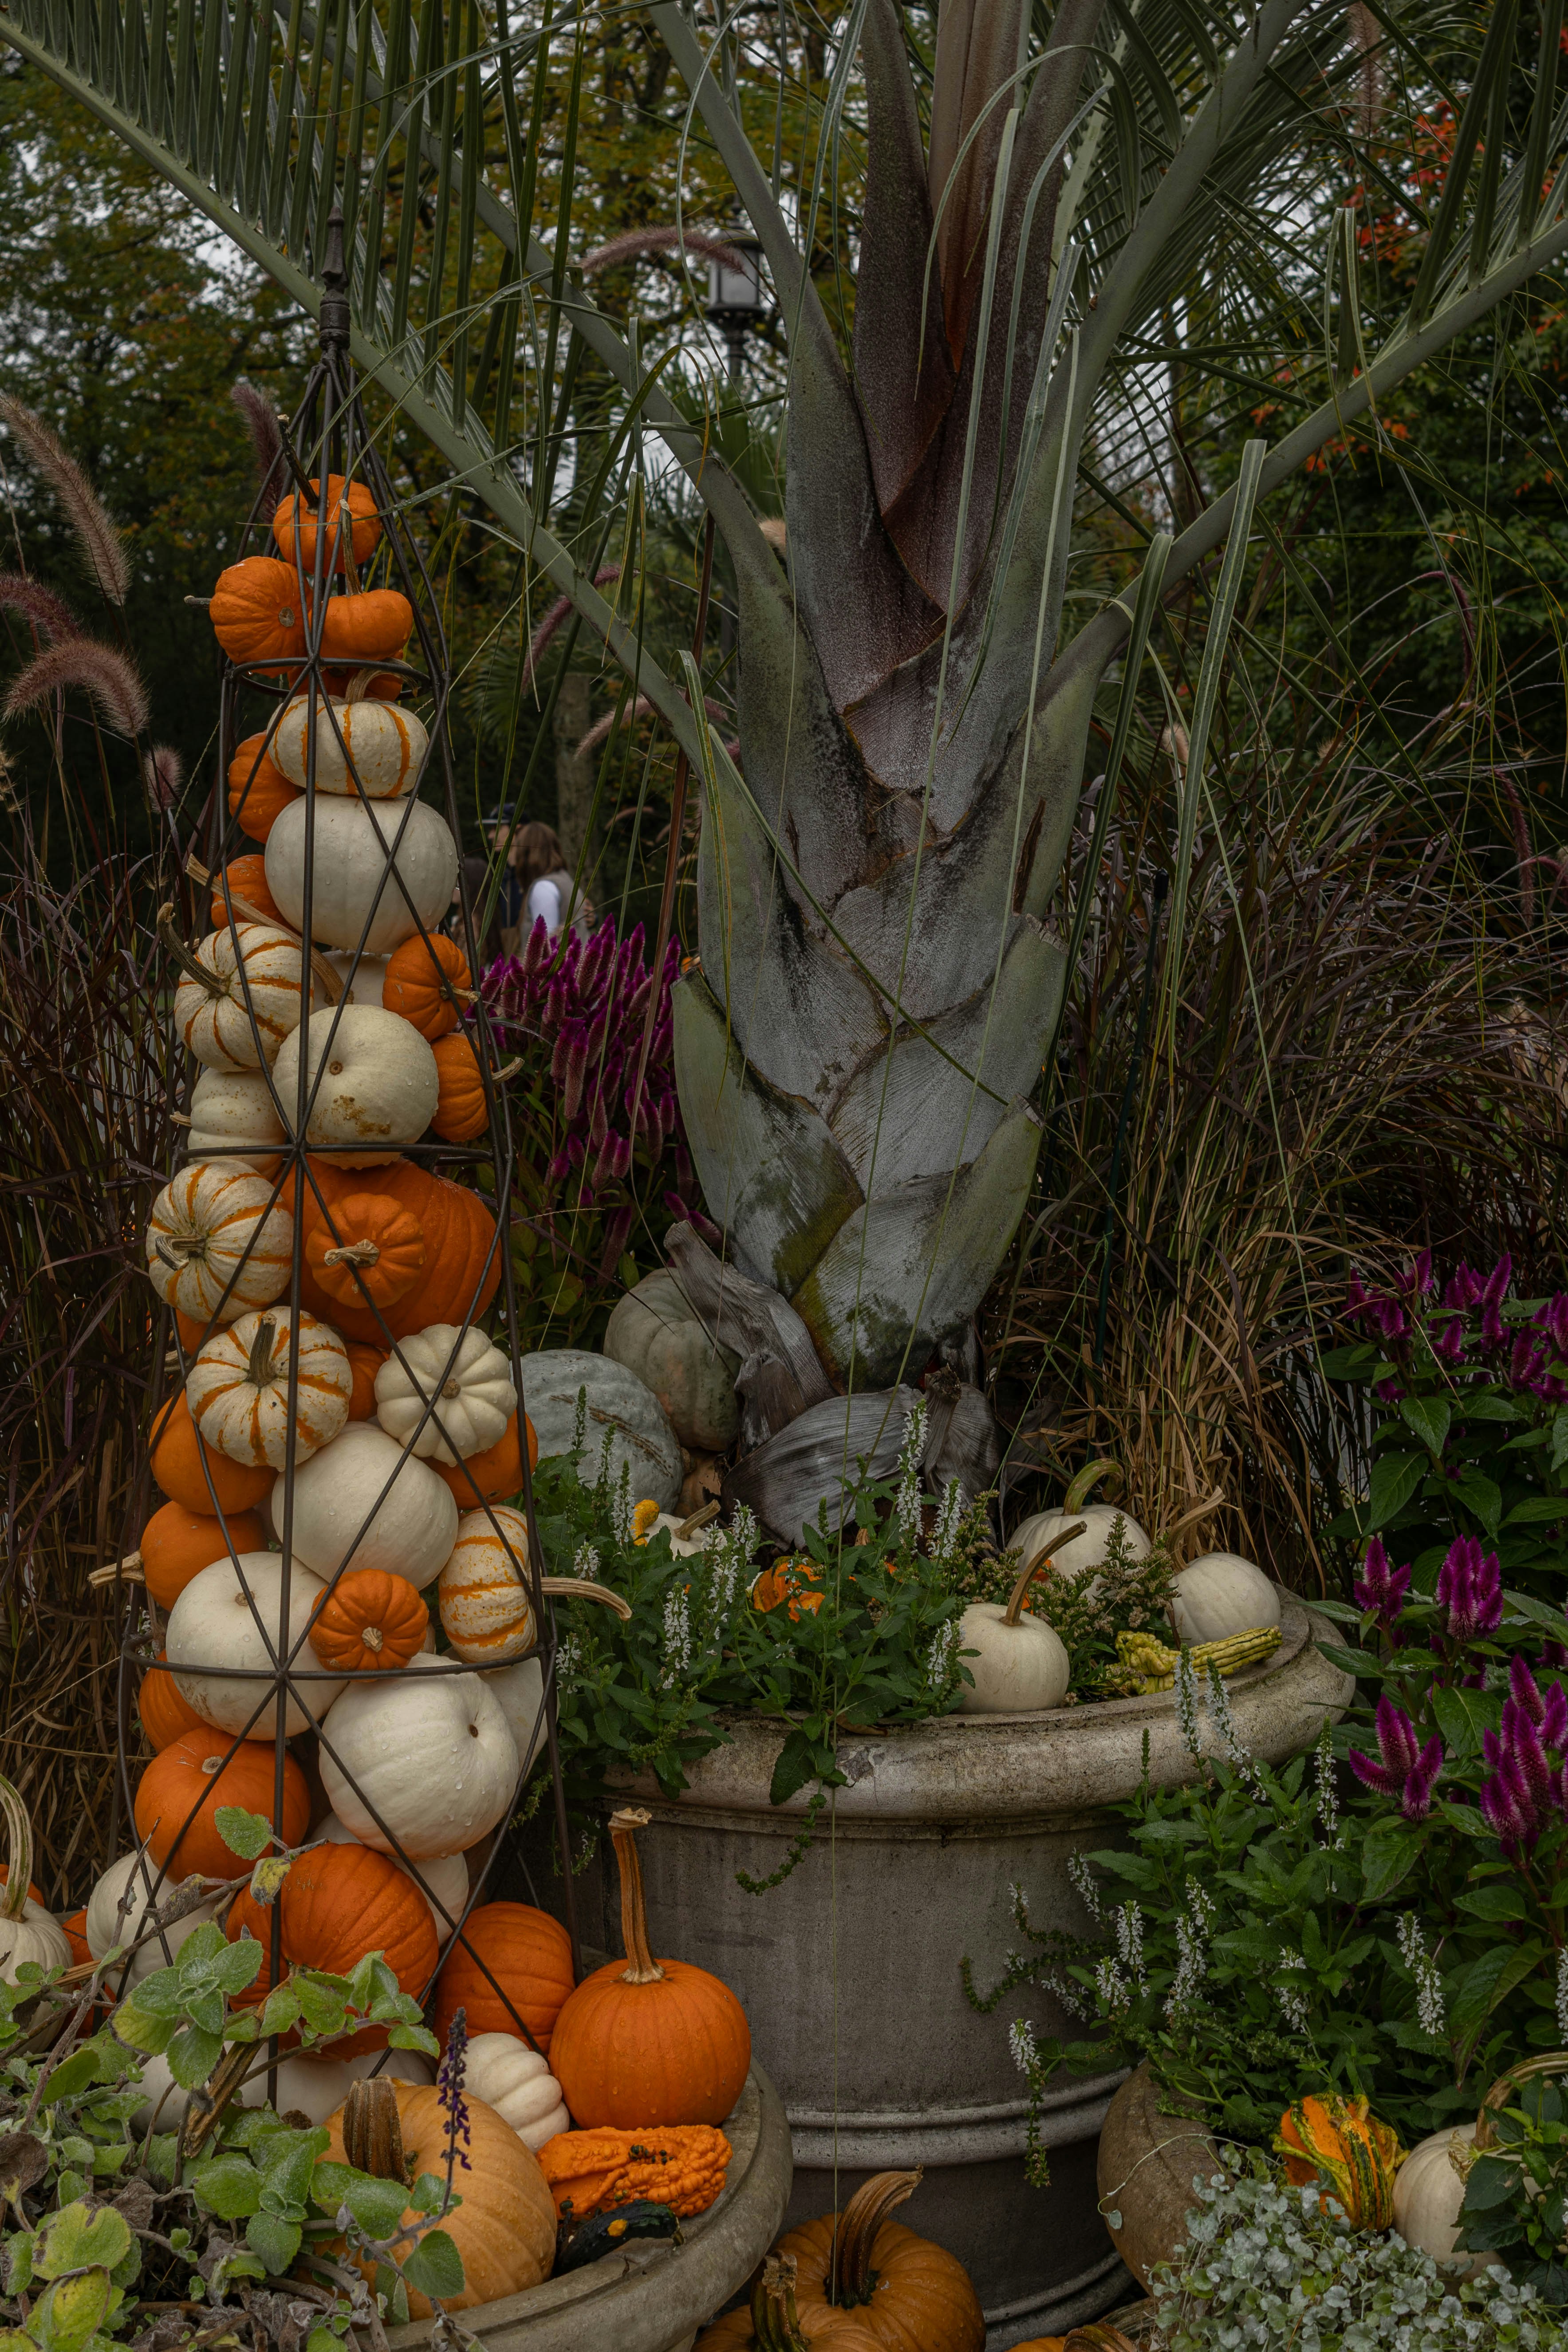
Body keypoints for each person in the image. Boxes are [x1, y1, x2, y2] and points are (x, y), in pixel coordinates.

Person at [490, 816, 593, 953]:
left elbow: (546, 950)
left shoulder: (543, 888)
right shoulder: (565, 879)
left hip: (561, 966)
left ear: (527, 853)